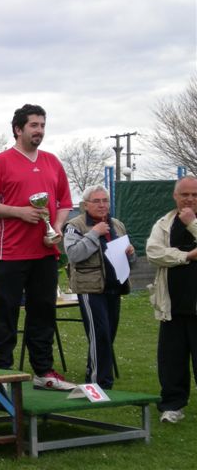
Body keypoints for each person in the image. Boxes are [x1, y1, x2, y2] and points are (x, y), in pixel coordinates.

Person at [0, 104, 75, 390]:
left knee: (43, 311)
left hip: (45, 251)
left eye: (42, 125)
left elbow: (65, 203)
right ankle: (1, 371)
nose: (39, 131)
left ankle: (43, 371)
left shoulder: (53, 162)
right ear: (18, 129)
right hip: (11, 252)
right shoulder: (1, 162)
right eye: (34, 125)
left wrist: (55, 228)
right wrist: (20, 212)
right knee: (5, 312)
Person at [64, 185, 136, 389]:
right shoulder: (75, 225)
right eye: (97, 201)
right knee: (100, 335)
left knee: (107, 335)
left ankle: (94, 373)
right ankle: (99, 383)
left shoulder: (117, 224)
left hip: (114, 286)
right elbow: (74, 255)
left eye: (105, 200)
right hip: (90, 288)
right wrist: (94, 234)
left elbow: (130, 259)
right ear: (86, 204)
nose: (102, 205)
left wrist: (130, 254)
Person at [146, 175, 197, 423]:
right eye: (184, 194)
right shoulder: (164, 223)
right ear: (174, 196)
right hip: (171, 305)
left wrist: (193, 224)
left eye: (194, 195)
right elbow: (153, 253)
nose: (189, 199)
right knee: (171, 360)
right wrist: (187, 256)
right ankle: (172, 406)